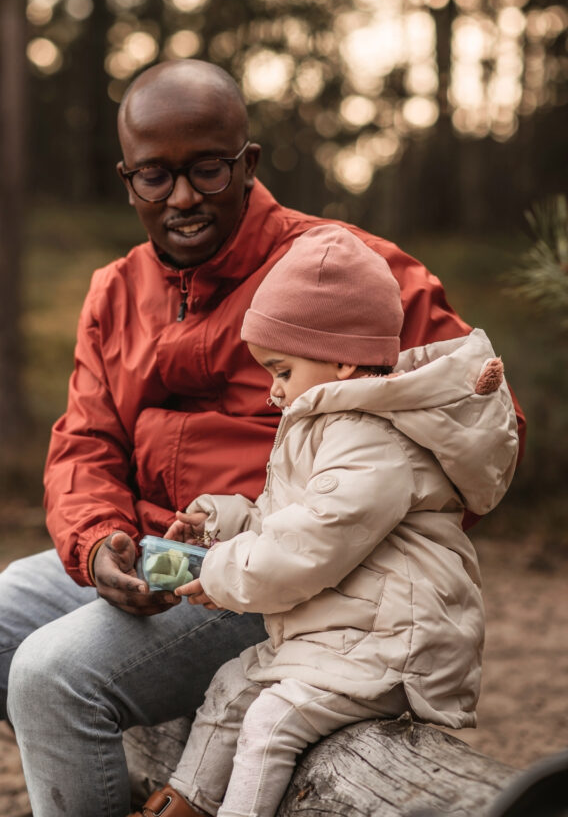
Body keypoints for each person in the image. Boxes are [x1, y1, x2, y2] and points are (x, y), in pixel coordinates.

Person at [0, 60, 526, 817]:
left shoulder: (345, 269)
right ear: (127, 178)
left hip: (272, 574)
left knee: (53, 675)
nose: (182, 197)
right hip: (145, 550)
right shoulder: (116, 290)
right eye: (155, 176)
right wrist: (99, 540)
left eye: (207, 169)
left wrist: (334, 543)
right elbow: (84, 445)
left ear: (248, 163)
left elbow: (475, 418)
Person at [129, 225, 519, 817]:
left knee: (269, 720)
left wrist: (219, 570)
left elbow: (314, 543)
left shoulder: (374, 437)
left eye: (281, 370)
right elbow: (290, 519)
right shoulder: (332, 422)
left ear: (340, 357)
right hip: (336, 636)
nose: (272, 391)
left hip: (392, 644)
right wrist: (224, 522)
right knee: (233, 687)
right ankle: (183, 803)